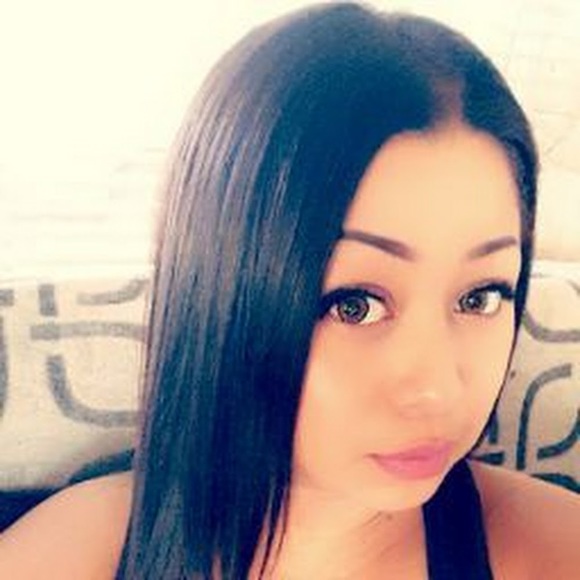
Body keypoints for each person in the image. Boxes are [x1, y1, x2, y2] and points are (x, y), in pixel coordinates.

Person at [1, 2, 579, 578]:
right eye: (354, 304)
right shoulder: (75, 554)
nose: (436, 390)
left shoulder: (552, 551)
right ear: (225, 295)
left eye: (480, 297)